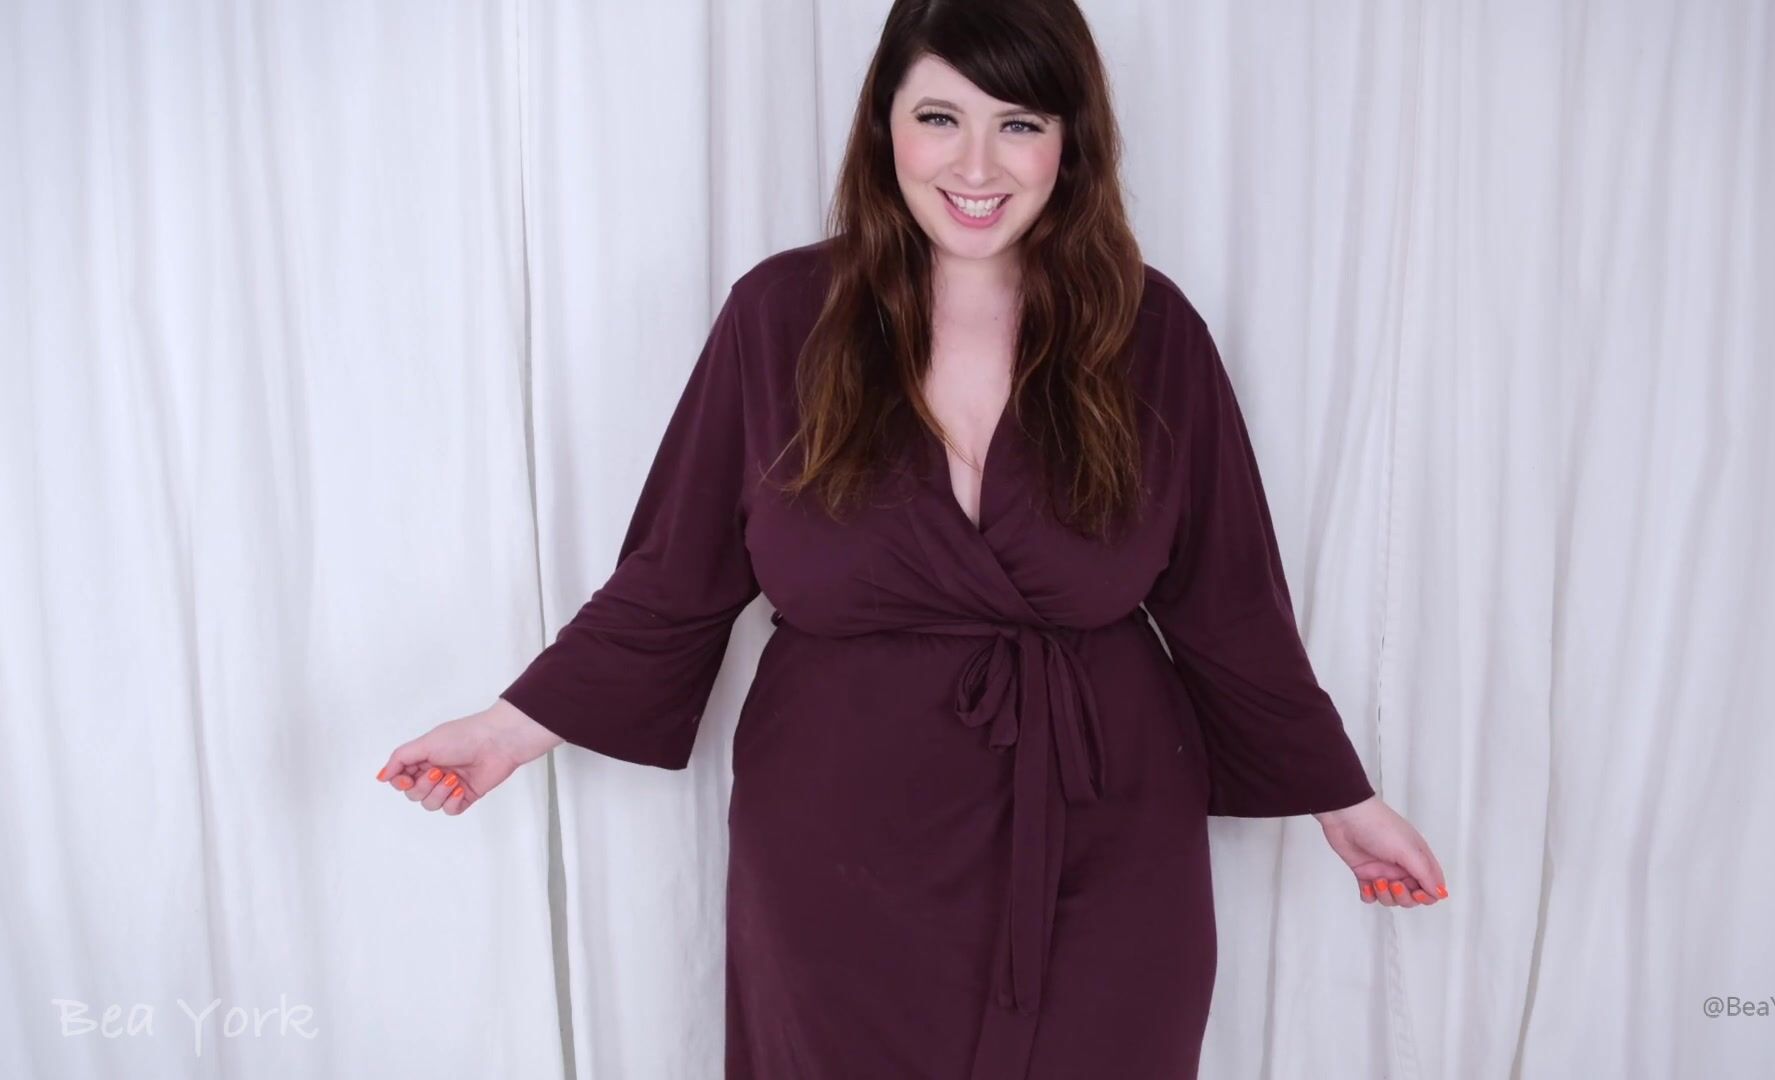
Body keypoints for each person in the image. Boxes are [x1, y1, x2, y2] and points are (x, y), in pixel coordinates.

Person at [376, 1, 1447, 1076]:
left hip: (1107, 841)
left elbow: (1230, 604)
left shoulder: (1149, 330)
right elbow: (672, 576)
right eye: (940, 118)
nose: (977, 165)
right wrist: (507, 730)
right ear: (884, 124)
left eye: (1019, 124)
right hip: (836, 851)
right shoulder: (782, 317)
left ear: (1070, 140)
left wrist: (1342, 801)